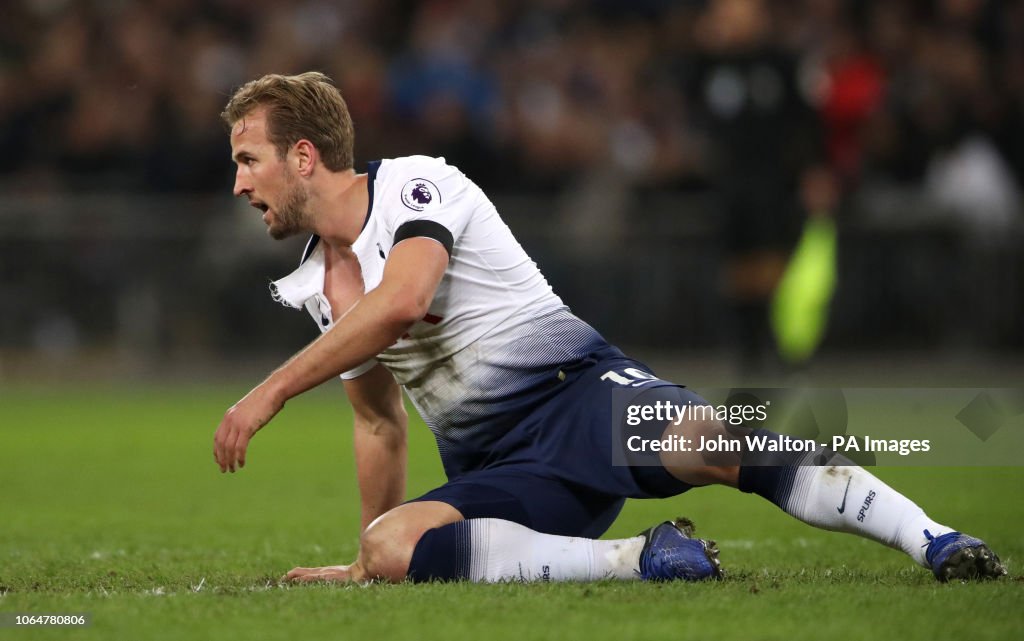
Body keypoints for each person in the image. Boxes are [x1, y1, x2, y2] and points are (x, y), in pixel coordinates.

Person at [213, 71, 1004, 584]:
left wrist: (270, 392)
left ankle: (933, 537)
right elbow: (380, 423)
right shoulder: (319, 282)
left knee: (717, 442)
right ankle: (644, 557)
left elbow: (403, 302)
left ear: (306, 156)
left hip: (581, 396)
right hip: (504, 468)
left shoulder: (417, 184)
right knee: (394, 548)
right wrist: (364, 555)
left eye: (250, 159)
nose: (240, 180)